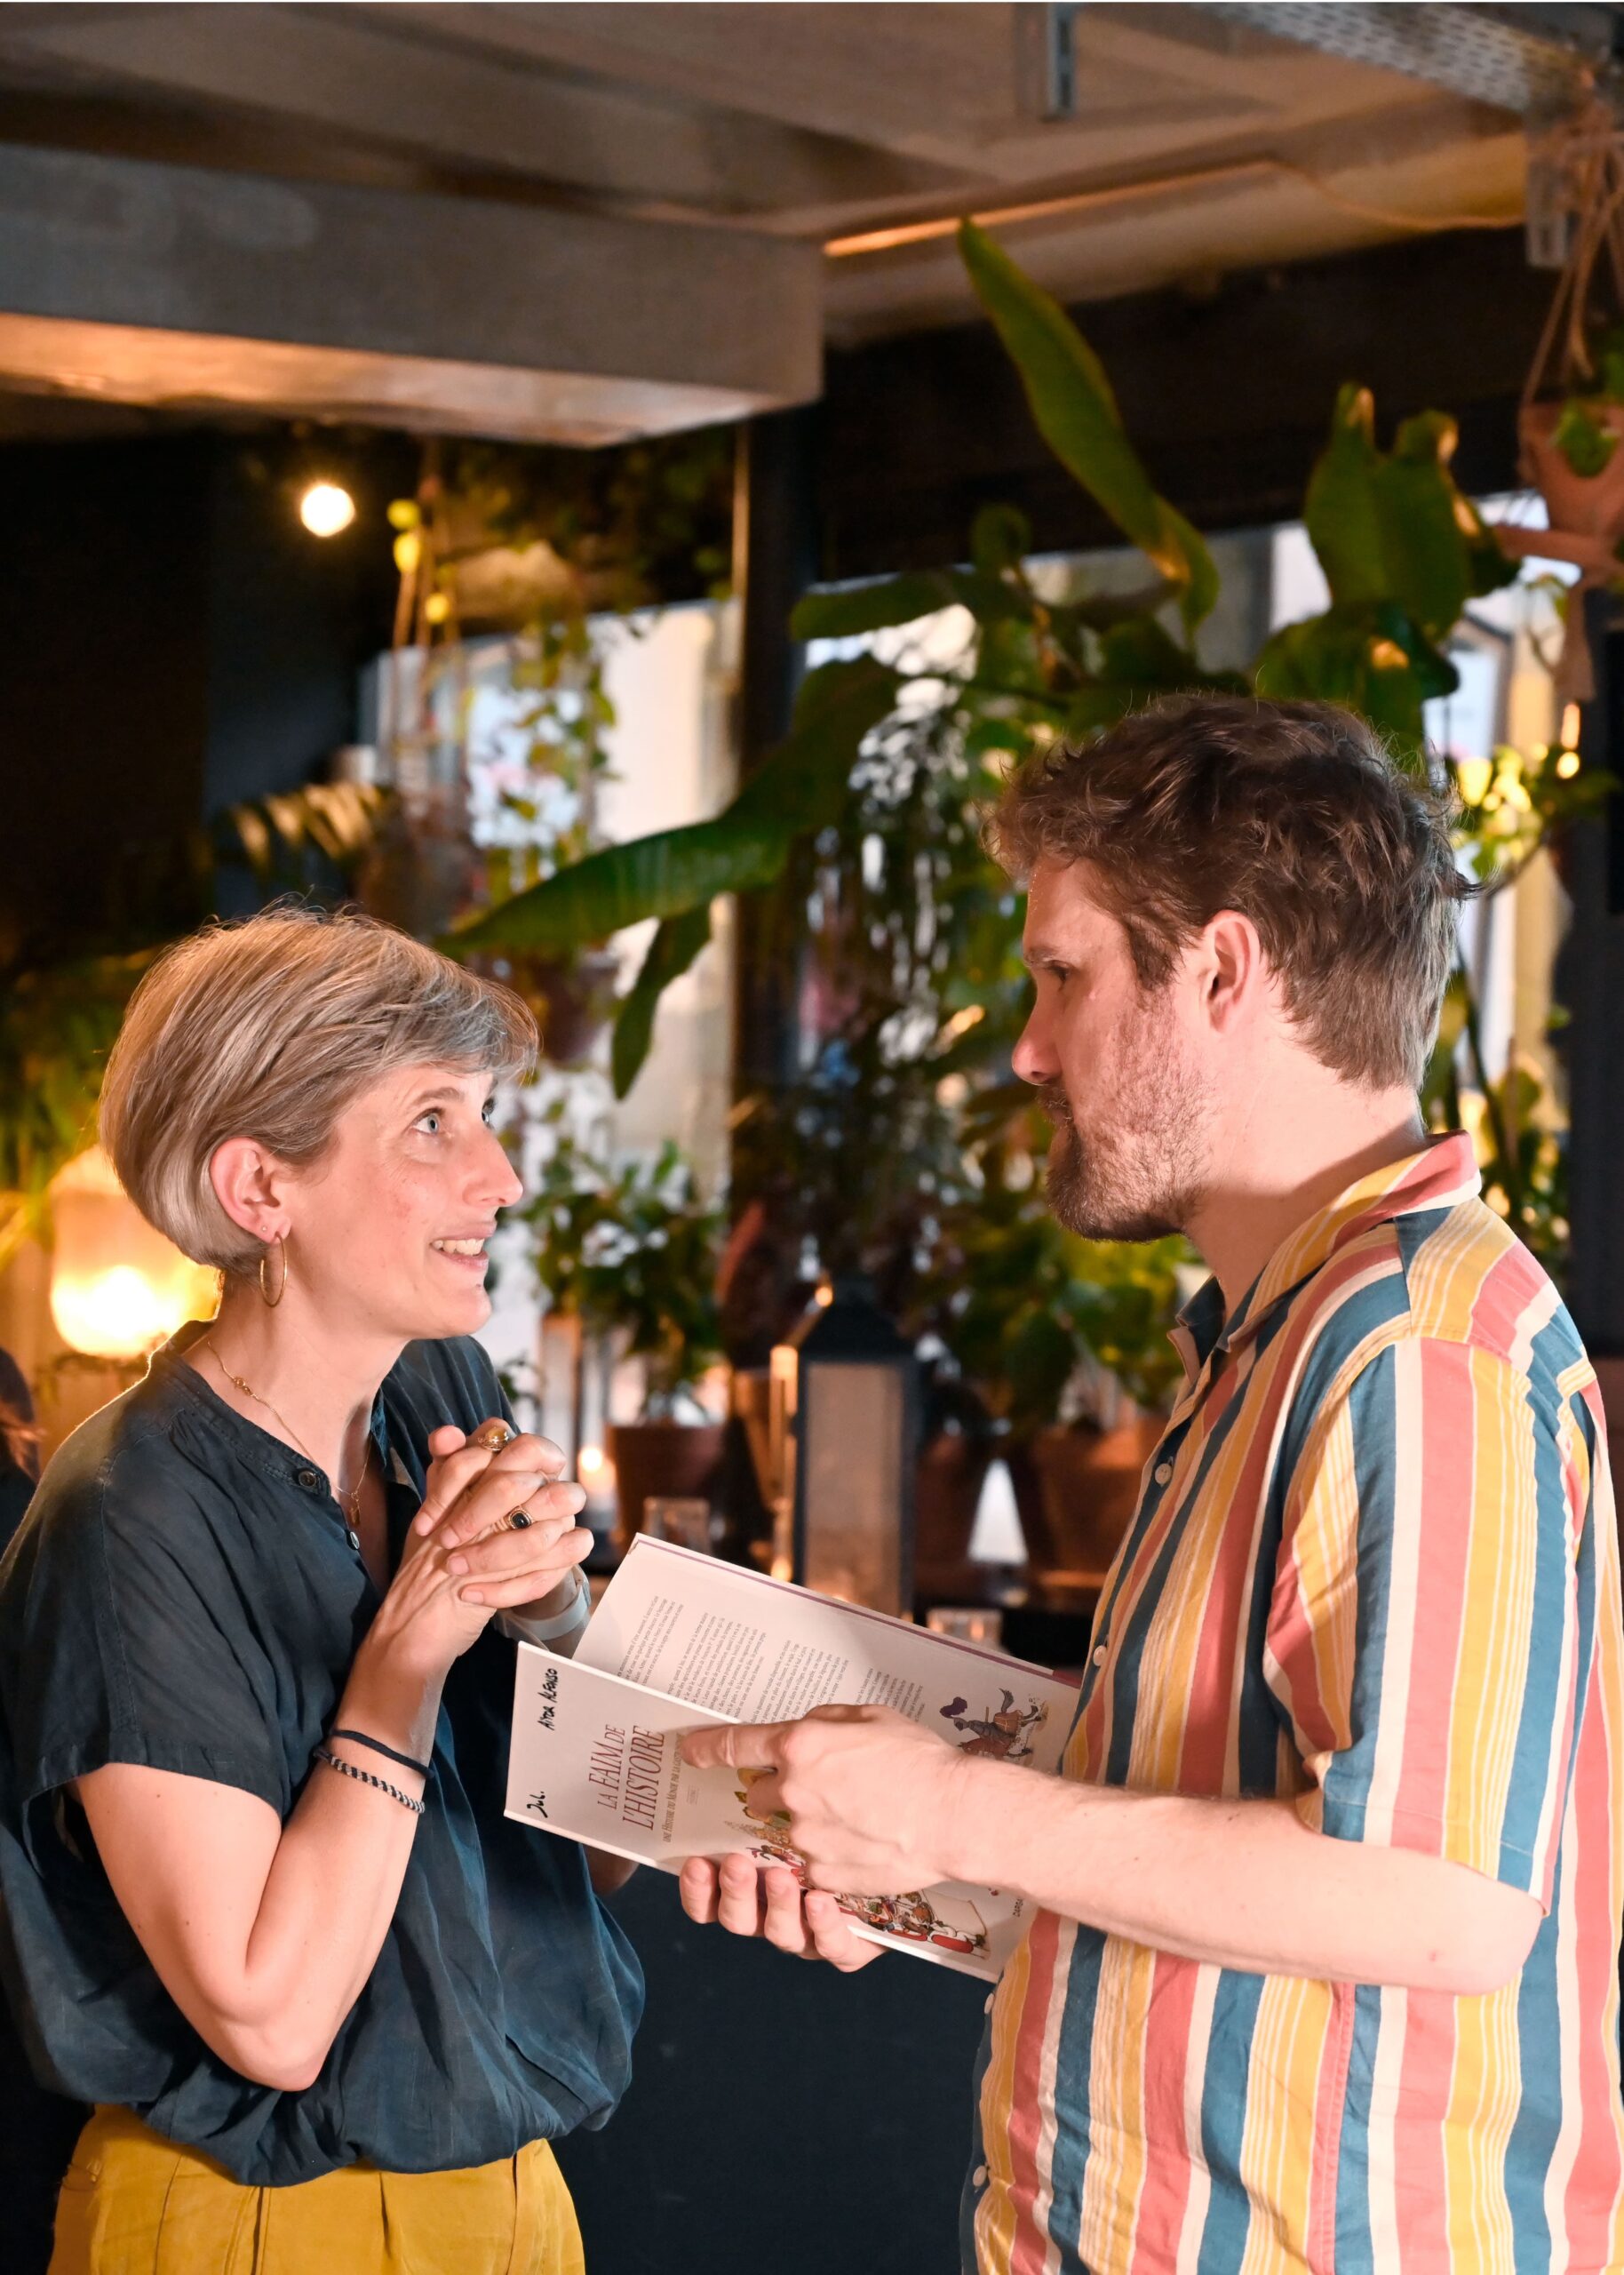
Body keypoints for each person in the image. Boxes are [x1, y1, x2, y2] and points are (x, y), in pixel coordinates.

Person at [679, 695, 1624, 2275]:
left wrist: (953, 1804)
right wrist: (917, 1860)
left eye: (1064, 975)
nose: (1030, 1046)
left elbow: (1444, 1904)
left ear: (1225, 972)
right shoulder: (1278, 1337)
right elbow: (1226, 1851)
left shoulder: (1415, 1347)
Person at [0, 904, 641, 2274]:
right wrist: (407, 1656)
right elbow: (274, 2022)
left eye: (483, 1116)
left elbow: (605, 1845)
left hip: (515, 2201)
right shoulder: (130, 1516)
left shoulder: (435, 1394)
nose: (500, 1175)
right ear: (259, 1189)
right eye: (432, 1123)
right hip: (258, 2218)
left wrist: (551, 1611)